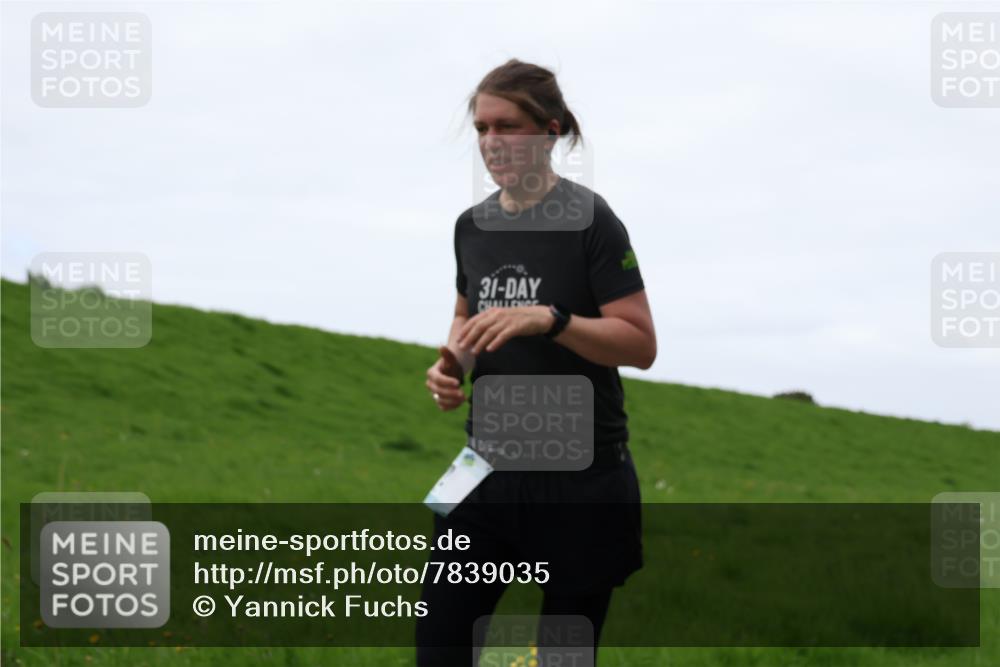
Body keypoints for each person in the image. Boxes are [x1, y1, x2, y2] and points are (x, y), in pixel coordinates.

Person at [417, 58, 657, 667]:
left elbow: (640, 343)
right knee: (439, 644)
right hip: (482, 466)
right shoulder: (471, 227)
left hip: (583, 476)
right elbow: (467, 316)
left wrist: (553, 320)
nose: (491, 143)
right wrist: (452, 365)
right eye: (481, 129)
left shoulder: (592, 221)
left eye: (507, 127)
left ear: (549, 132)